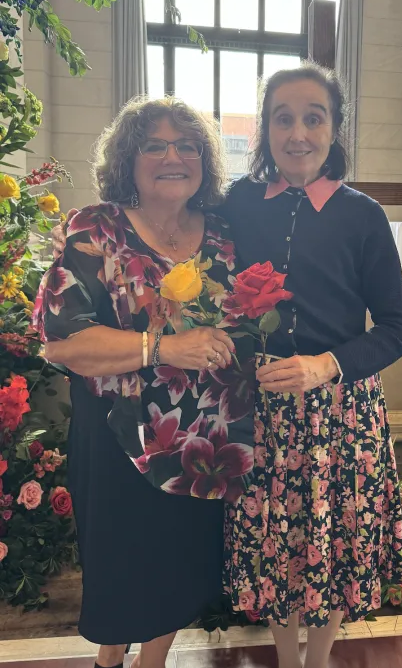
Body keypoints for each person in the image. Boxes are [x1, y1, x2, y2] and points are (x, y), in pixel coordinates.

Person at [34, 97, 255, 668]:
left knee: (180, 567)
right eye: (154, 145)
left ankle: (150, 661)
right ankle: (112, 656)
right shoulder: (94, 230)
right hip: (118, 434)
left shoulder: (226, 235)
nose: (172, 156)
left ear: (204, 159)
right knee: (122, 565)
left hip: (208, 439)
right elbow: (60, 341)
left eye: (186, 145)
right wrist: (162, 347)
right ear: (128, 159)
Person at [220, 63, 402, 668]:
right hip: (263, 412)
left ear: (335, 129)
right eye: (284, 118)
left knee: (335, 542)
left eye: (314, 117)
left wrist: (326, 365)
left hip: (342, 415)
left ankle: (320, 656)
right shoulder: (240, 203)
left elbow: (397, 328)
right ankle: (285, 658)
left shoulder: (363, 215)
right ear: (265, 130)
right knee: (277, 545)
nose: (298, 132)